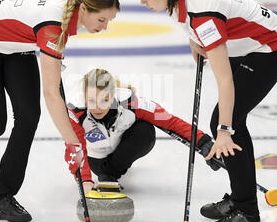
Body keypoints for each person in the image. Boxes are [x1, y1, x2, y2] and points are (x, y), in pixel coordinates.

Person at [130, 0, 277, 222]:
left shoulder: (205, 16)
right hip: (243, 44)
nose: (143, 3)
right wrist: (195, 39)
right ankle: (240, 198)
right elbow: (189, 18)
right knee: (222, 122)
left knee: (228, 122)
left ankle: (248, 213)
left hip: (269, 48)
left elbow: (225, 81)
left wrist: (226, 130)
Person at [0, 0, 120, 222]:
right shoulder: (52, 26)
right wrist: (73, 143)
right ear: (85, 9)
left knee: (28, 117)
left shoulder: (75, 0)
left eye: (109, 21)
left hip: (15, 44)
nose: (105, 27)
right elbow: (51, 92)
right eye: (102, 20)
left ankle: (2, 199)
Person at [64, 68, 216, 195]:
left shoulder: (132, 103)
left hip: (121, 151)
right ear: (84, 97)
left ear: (112, 95)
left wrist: (202, 142)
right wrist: (84, 180)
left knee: (145, 131)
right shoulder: (76, 113)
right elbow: (74, 148)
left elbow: (170, 121)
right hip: (97, 160)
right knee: (91, 158)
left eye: (104, 100)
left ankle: (110, 174)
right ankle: (107, 173)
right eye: (91, 101)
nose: (97, 107)